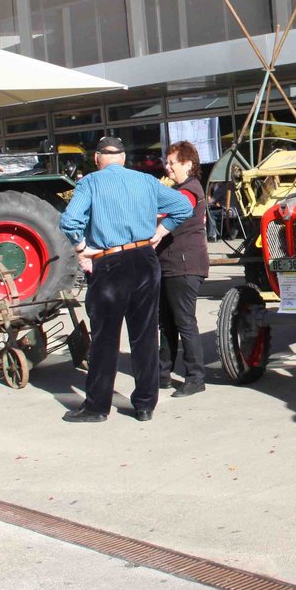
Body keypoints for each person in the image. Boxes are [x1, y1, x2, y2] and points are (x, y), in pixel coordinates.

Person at [59, 136, 192, 423]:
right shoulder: (146, 181)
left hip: (109, 262)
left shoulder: (90, 183)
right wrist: (160, 232)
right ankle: (145, 405)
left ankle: (97, 407)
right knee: (145, 334)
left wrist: (82, 249)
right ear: (122, 159)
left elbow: (69, 222)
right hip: (144, 259)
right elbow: (183, 206)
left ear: (97, 159)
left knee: (105, 337)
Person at [157, 141, 210, 398]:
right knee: (167, 323)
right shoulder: (182, 188)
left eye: (172, 163)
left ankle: (195, 377)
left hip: (185, 265)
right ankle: (162, 374)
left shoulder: (189, 190)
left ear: (188, 164)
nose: (168, 167)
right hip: (171, 265)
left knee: (184, 323)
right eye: (166, 163)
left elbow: (174, 211)